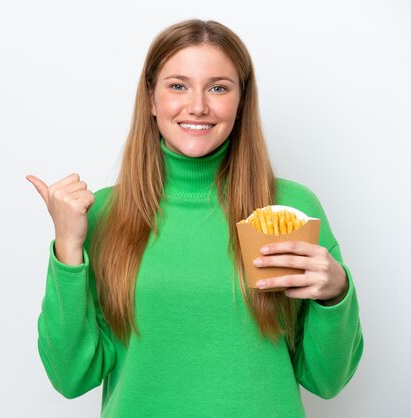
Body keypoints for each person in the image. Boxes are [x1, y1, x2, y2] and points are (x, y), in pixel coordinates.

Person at [26, 19, 363, 418]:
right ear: (151, 99)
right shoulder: (101, 214)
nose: (198, 105)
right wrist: (67, 247)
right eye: (178, 85)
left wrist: (336, 294)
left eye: (218, 87)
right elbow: (71, 377)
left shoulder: (288, 209)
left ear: (241, 101)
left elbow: (327, 380)